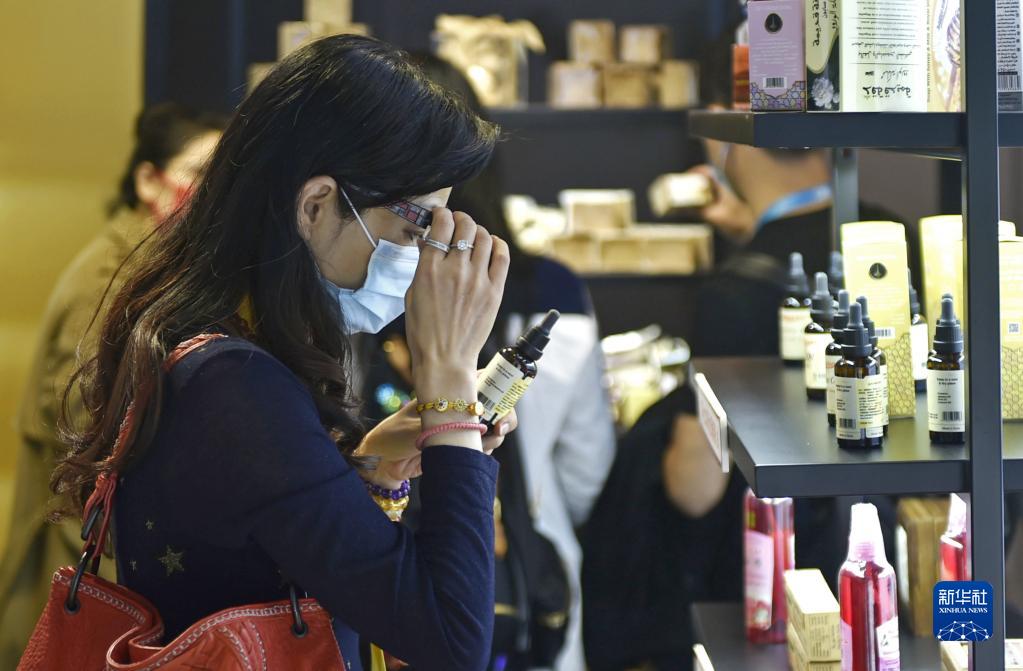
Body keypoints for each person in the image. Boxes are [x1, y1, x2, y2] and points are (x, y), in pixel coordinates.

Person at [48, 36, 515, 671]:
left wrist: (371, 463)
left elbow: (258, 539)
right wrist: (450, 381)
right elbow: (451, 640)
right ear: (315, 206)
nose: (419, 262)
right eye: (413, 230)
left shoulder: (209, 342)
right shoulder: (233, 384)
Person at [358, 55, 615, 671]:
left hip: (385, 601)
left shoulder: (355, 289)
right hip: (510, 601)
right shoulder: (551, 290)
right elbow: (586, 471)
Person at [0, 102, 222, 667]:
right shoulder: (113, 279)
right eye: (201, 173)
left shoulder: (153, 266)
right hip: (82, 556)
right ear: (149, 180)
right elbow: (87, 431)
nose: (216, 192)